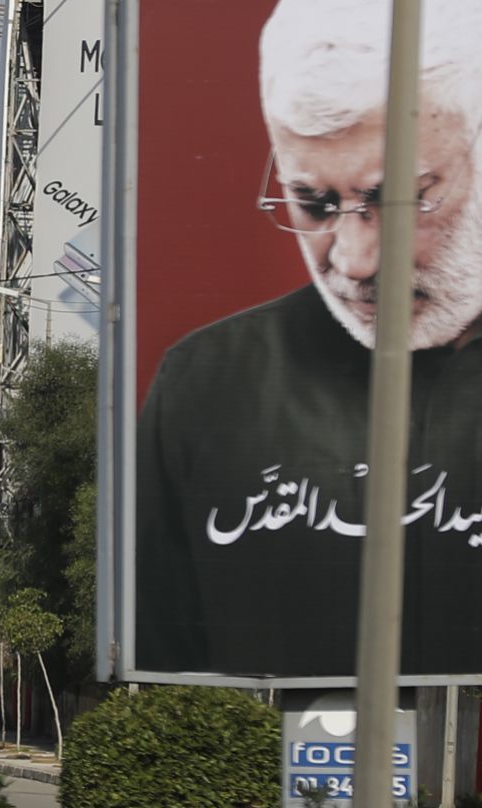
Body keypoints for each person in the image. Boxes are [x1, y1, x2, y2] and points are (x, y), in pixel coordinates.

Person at [136, 0, 482, 676]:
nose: (352, 260)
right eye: (316, 205)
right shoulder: (211, 385)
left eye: (400, 198)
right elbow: (166, 655)